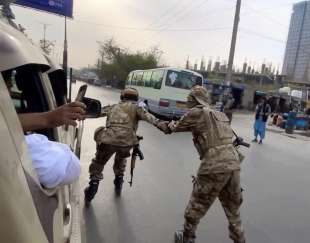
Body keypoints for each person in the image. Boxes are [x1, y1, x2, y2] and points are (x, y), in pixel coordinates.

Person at [163, 86, 245, 243]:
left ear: (194, 100)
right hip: (233, 165)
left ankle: (186, 239)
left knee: (195, 208)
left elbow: (173, 127)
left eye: (189, 99)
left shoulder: (196, 112)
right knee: (234, 214)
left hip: (214, 166)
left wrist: (164, 123)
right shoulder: (219, 114)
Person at [84, 87, 166, 205]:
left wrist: (81, 113)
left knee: (98, 162)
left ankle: (94, 183)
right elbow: (151, 119)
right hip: (126, 143)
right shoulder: (138, 108)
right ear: (136, 98)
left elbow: (96, 112)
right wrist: (166, 127)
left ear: (122, 97)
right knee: (121, 161)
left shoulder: (113, 107)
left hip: (107, 141)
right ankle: (119, 181)